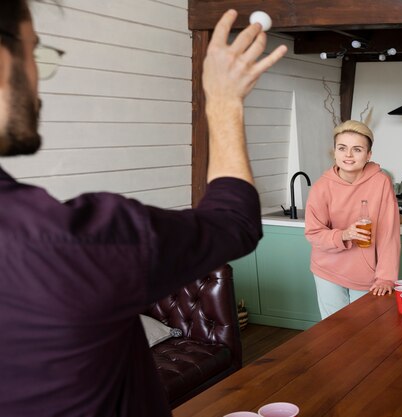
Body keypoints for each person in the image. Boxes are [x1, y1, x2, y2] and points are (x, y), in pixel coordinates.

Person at [0, 3, 286, 416]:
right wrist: (223, 103)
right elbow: (234, 220)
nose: (39, 87)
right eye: (34, 54)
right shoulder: (69, 242)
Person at [304, 120, 400, 319]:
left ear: (368, 155)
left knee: (365, 332)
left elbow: (388, 233)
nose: (348, 155)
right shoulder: (322, 186)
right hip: (327, 270)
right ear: (335, 151)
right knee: (333, 331)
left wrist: (386, 277)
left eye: (357, 149)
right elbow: (313, 234)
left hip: (366, 273)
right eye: (342, 148)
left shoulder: (380, 182)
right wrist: (345, 234)